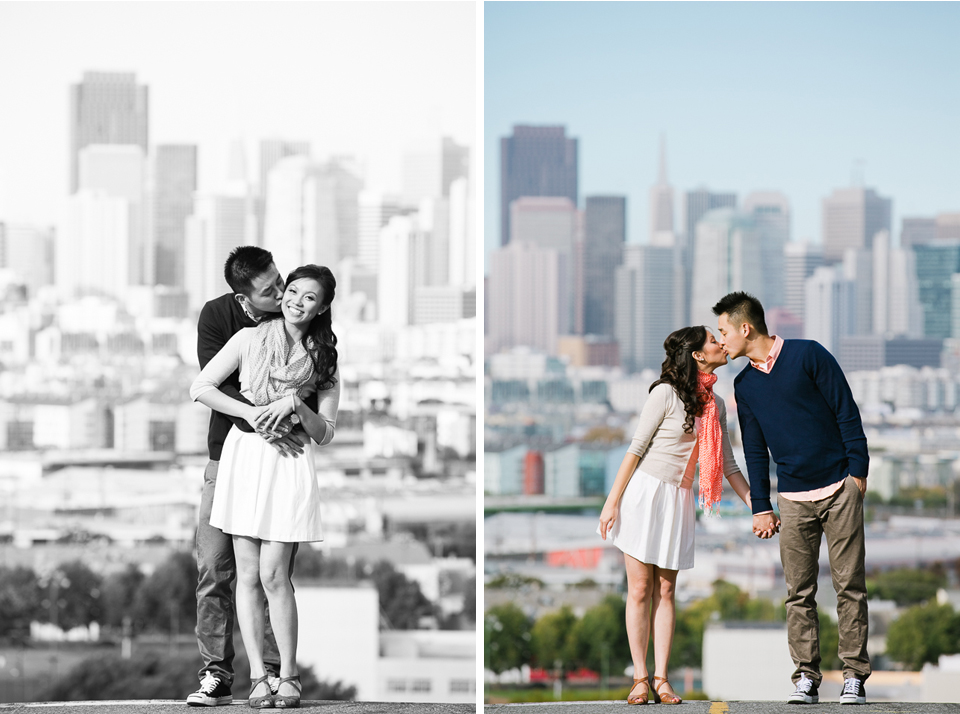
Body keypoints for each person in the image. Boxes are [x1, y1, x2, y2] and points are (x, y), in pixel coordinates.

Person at [191, 263, 339, 709]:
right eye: (291, 291)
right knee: (248, 576)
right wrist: (253, 413)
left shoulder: (325, 355)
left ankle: (287, 675)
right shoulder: (249, 338)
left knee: (277, 574)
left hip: (289, 463)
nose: (294, 300)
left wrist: (296, 404)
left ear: (323, 306)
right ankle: (258, 678)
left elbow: (327, 431)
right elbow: (201, 386)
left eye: (308, 296)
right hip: (244, 456)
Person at [712, 291, 870, 706]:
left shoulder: (809, 355)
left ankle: (854, 676)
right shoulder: (743, 385)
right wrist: (761, 505)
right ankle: (807, 678)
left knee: (849, 587)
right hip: (793, 500)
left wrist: (859, 474)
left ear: (746, 328)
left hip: (840, 488)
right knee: (798, 593)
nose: (720, 339)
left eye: (723, 330)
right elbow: (754, 450)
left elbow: (846, 412)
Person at [598, 326, 752, 706]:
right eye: (714, 341)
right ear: (698, 355)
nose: (721, 344)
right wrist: (612, 501)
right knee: (639, 590)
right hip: (645, 495)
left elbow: (729, 464)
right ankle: (639, 679)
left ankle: (662, 679)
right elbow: (636, 449)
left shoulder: (715, 404)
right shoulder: (664, 393)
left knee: (667, 591)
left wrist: (758, 504)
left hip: (680, 502)